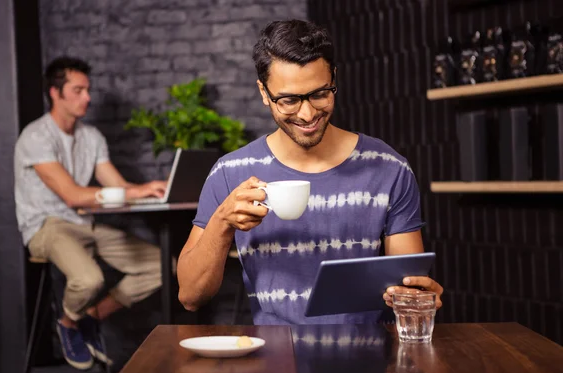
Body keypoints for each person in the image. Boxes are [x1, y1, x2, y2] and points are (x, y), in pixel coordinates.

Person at [176, 20, 444, 325]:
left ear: (334, 79)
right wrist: (222, 222)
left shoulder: (388, 168)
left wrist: (419, 297)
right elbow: (190, 296)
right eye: (289, 100)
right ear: (264, 92)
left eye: (319, 94)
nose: (307, 114)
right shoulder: (229, 173)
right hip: (273, 362)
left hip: (366, 361)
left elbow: (407, 286)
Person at [14, 56, 167, 370]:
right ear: (55, 94)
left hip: (86, 223)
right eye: (78, 90)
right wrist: (131, 192)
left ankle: (89, 317)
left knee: (165, 266)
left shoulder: (92, 137)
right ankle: (68, 322)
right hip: (47, 226)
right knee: (88, 280)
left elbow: (118, 187)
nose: (88, 97)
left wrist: (152, 191)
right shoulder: (35, 137)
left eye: (88, 89)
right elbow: (71, 196)